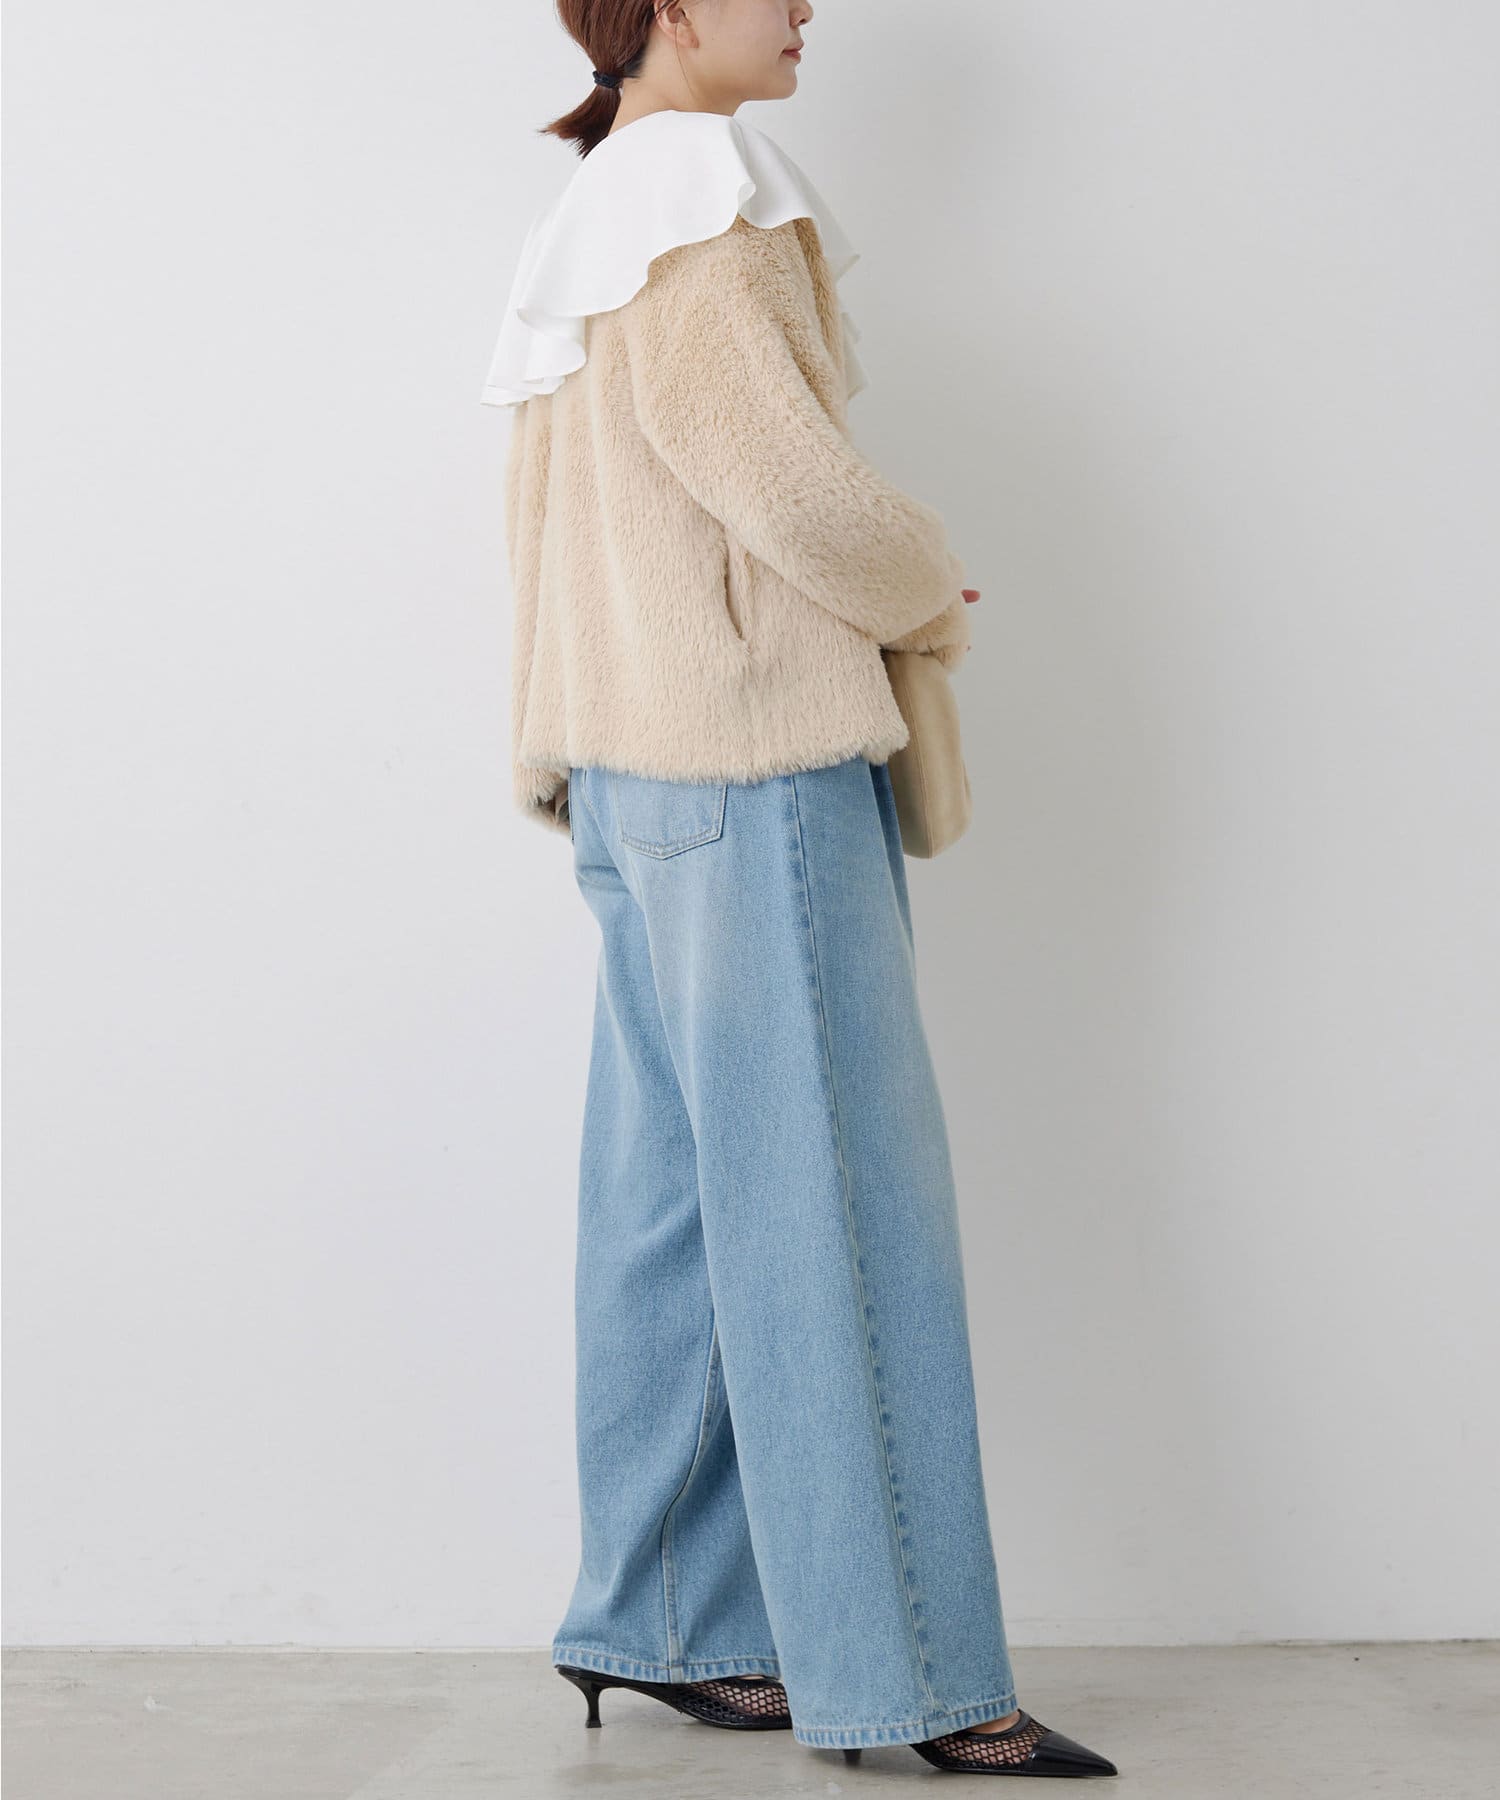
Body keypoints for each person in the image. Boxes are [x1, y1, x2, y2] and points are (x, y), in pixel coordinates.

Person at [480, 0, 1118, 1778]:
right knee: (840, 1210)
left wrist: (557, 743)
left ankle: (670, 1614)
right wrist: (927, 582)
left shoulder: (593, 206)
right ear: (672, 6)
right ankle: (913, 1673)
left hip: (629, 773)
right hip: (753, 768)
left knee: (677, 1209)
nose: (805, 7)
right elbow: (792, 490)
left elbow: (548, 524)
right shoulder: (706, 189)